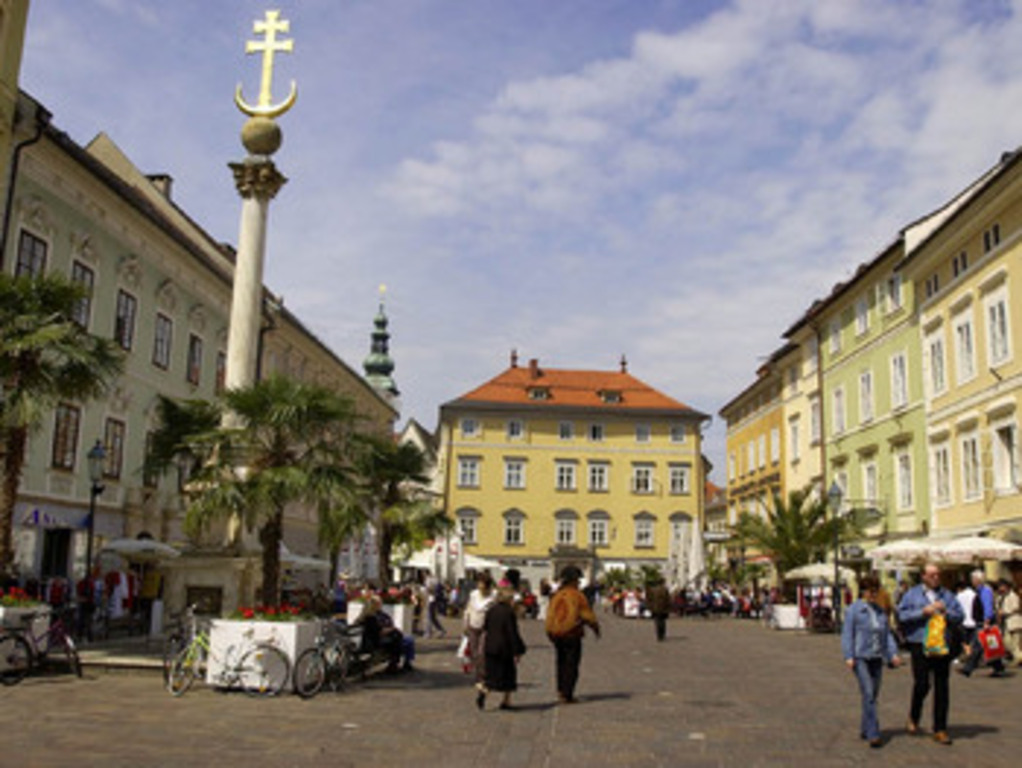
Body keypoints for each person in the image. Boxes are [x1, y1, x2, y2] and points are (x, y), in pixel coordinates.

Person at [896, 562, 964, 745]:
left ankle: (940, 728)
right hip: (919, 643)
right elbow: (901, 615)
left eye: (937, 574)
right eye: (932, 575)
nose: (936, 578)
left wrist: (946, 612)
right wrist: (922, 612)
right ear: (923, 576)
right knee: (922, 683)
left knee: (942, 686)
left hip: (941, 644)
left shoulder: (947, 595)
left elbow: (960, 616)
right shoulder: (912, 594)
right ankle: (914, 715)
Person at [842, 575, 902, 748]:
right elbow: (847, 634)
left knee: (873, 695)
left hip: (876, 657)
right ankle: (874, 733)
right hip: (860, 656)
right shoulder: (854, 610)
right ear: (863, 591)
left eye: (876, 591)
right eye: (871, 591)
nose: (874, 594)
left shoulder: (880, 611)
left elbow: (886, 635)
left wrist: (893, 654)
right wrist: (848, 655)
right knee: (868, 693)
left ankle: (865, 727)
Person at [546, 565, 600, 704]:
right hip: (572, 633)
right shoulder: (577, 596)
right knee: (571, 664)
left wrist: (549, 632)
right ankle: (567, 693)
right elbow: (587, 615)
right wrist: (595, 628)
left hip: (557, 634)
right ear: (573, 581)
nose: (579, 583)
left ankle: (560, 690)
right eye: (577, 580)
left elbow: (550, 615)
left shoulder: (557, 595)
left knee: (560, 662)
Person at [477, 585, 526, 711]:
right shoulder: (509, 612)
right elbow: (512, 632)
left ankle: (485, 690)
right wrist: (518, 649)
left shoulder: (491, 610)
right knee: (508, 675)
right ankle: (506, 700)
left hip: (490, 646)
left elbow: (485, 627)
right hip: (504, 648)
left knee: (491, 674)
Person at [960, 570, 1006, 678]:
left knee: (978, 645)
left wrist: (987, 621)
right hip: (981, 622)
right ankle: (998, 667)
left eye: (973, 579)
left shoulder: (985, 591)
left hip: (984, 623)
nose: (972, 581)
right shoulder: (979, 591)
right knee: (989, 645)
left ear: (978, 579)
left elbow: (987, 606)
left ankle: (968, 668)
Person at [463, 572, 495, 686]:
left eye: (482, 585)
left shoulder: (492, 597)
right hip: (473, 625)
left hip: (485, 627)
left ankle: (483, 676)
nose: (480, 587)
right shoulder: (473, 594)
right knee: (474, 652)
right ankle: (477, 674)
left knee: (482, 653)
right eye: (479, 584)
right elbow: (468, 609)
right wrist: (465, 623)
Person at [646, 577, 671, 641]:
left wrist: (650, 607)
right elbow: (668, 599)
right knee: (662, 621)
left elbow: (649, 599)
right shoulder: (665, 590)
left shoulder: (653, 589)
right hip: (663, 608)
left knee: (657, 621)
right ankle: (662, 634)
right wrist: (668, 608)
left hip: (655, 608)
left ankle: (659, 635)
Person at [1003, 582, 1022, 666]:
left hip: (1015, 621)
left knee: (1014, 642)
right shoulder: (1005, 596)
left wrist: (1005, 612)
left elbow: (1016, 607)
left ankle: (1019, 657)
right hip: (1008, 622)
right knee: (1007, 641)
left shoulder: (1013, 596)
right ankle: (1018, 657)